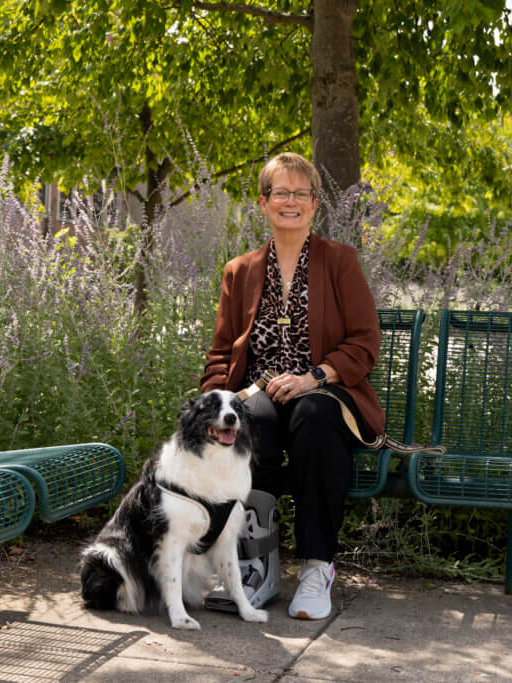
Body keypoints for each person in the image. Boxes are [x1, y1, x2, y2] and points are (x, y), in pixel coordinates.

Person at [200, 152, 384, 620]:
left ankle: (317, 567)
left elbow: (365, 342)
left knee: (314, 416)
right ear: (263, 203)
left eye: (301, 193)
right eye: (280, 192)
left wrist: (313, 377)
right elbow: (223, 352)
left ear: (315, 204)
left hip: (325, 391)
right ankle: (255, 566)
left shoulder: (340, 261)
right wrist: (213, 400)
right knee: (251, 420)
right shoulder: (239, 271)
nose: (290, 201)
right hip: (260, 393)